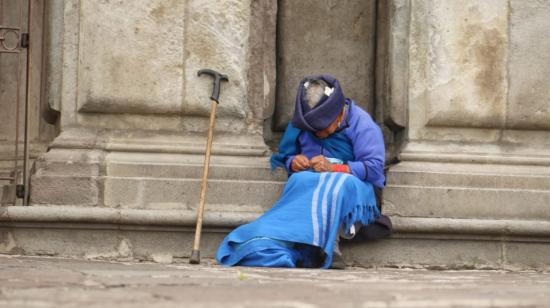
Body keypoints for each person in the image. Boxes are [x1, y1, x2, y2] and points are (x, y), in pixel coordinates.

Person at [216, 75, 386, 269]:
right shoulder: (302, 122)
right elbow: (286, 156)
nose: (318, 134)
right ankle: (271, 240)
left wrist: (335, 168)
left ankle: (330, 245)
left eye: (322, 128)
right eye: (311, 130)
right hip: (313, 182)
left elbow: (373, 168)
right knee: (299, 179)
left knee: (339, 183)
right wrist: (293, 162)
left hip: (357, 185)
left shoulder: (362, 124)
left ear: (338, 113)